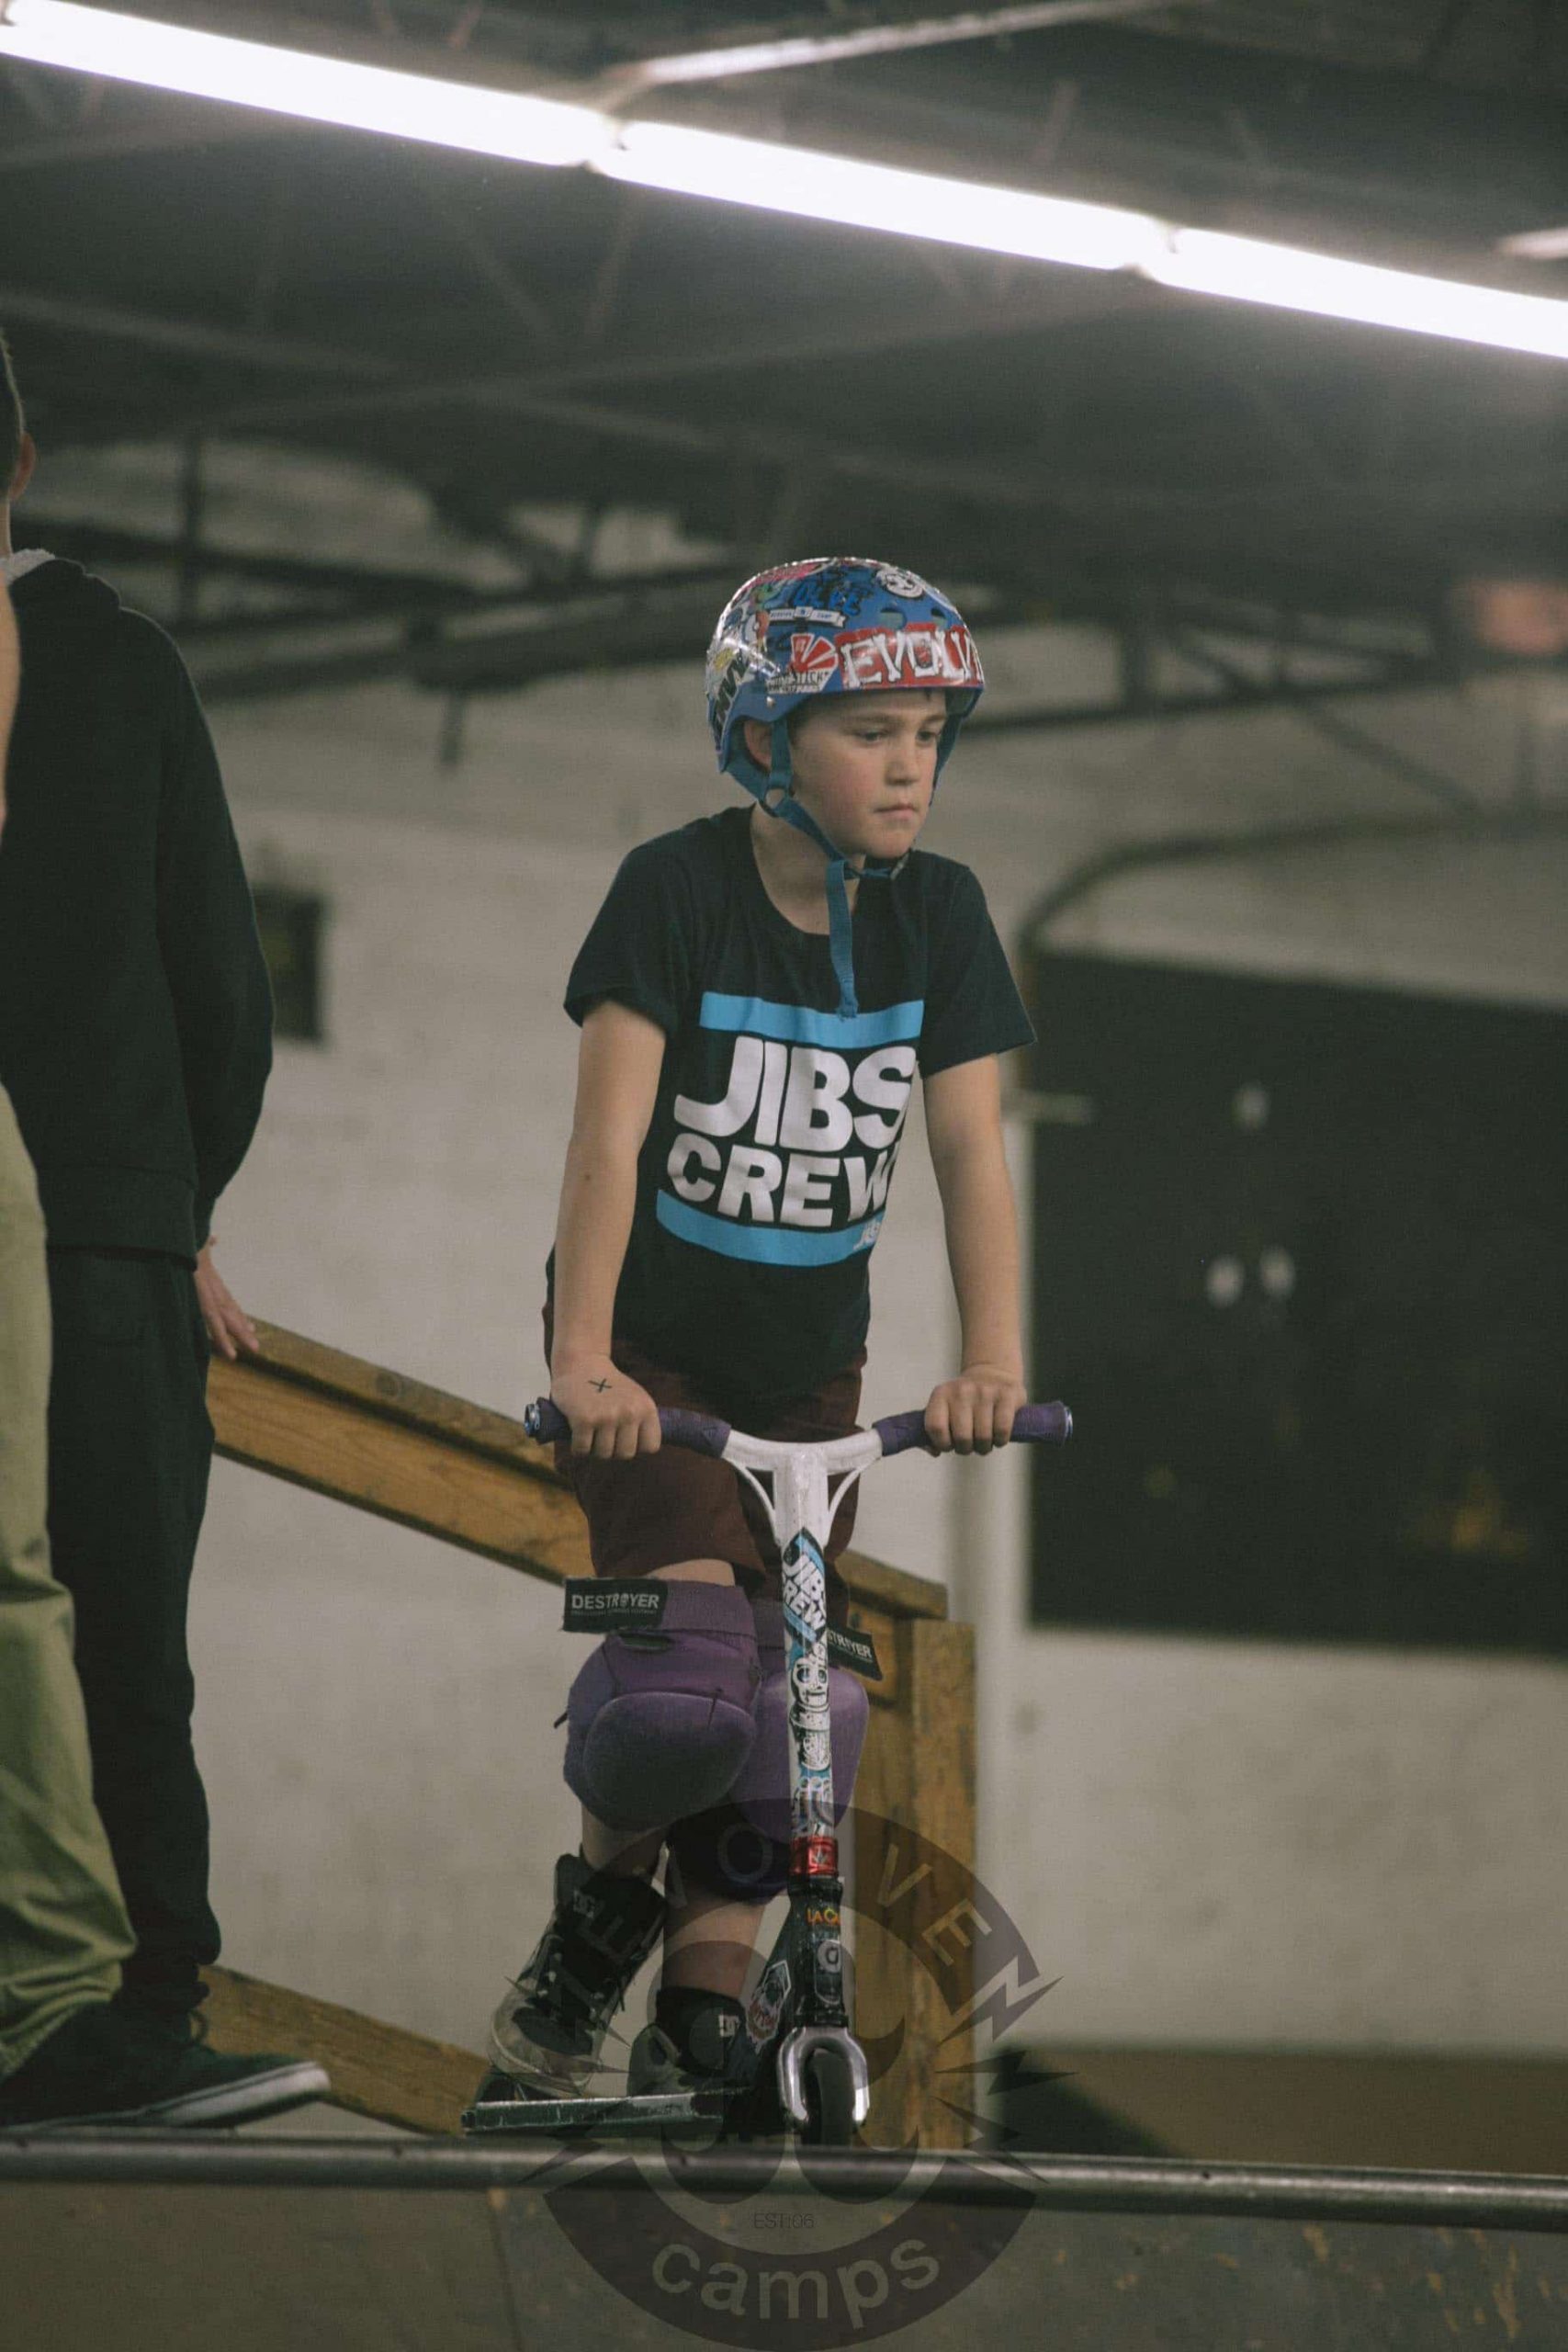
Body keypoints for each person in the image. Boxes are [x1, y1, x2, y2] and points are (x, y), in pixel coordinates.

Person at [479, 557, 1035, 2109]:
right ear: (762, 741)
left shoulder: (943, 915)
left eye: (929, 735)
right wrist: (582, 1357)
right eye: (870, 731)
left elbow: (971, 1151)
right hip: (649, 1354)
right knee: (682, 1689)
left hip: (808, 1379)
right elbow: (606, 1141)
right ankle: (578, 1969)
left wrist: (993, 1361)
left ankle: (702, 2008)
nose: (910, 766)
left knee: (805, 1714)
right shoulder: (675, 889)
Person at [0, 567, 326, 2126]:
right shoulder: (118, 660)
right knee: (117, 1629)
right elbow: (220, 988)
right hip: (108, 1221)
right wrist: (173, 1206)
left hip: (103, 1214)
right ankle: (142, 2012)